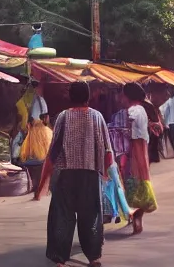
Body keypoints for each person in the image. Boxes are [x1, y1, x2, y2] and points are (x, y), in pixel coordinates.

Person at [34, 82, 113, 267]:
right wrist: (109, 176)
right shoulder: (97, 116)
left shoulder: (63, 117)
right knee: (92, 215)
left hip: (66, 175)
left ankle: (60, 260)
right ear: (88, 97)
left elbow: (53, 153)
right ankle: (93, 258)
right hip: (90, 174)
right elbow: (107, 151)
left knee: (62, 216)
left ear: (70, 97)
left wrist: (42, 185)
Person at [118, 83, 158, 234]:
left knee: (132, 181)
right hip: (142, 149)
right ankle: (136, 218)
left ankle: (136, 218)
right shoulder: (142, 109)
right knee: (140, 180)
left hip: (134, 149)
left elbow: (130, 121)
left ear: (128, 96)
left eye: (122, 94)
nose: (120, 98)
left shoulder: (133, 110)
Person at [142, 96, 164, 164]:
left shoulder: (146, 104)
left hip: (149, 131)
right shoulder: (148, 104)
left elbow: (155, 119)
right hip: (150, 131)